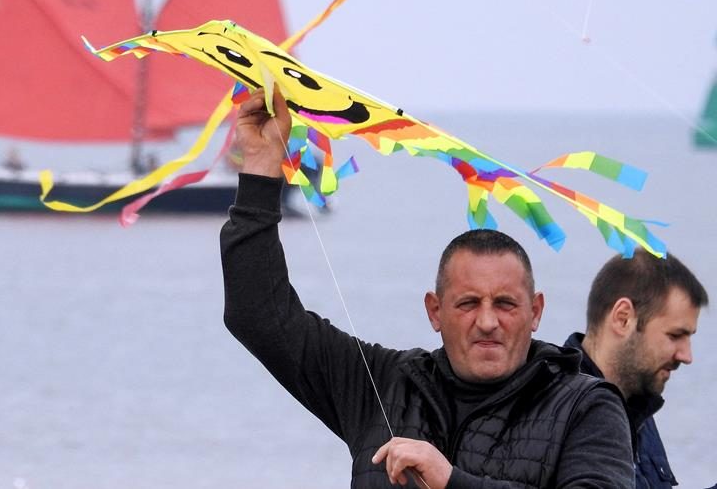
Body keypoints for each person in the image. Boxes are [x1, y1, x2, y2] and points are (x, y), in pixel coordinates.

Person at [221, 88, 634, 488]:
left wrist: (451, 481)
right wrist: (260, 169)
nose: (487, 321)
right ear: (435, 311)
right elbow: (259, 316)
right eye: (467, 303)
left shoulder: (586, 406)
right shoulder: (383, 383)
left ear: (536, 311)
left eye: (505, 304)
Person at [565, 251, 708, 489]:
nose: (687, 356)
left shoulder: (636, 401)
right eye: (675, 335)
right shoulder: (559, 415)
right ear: (623, 319)